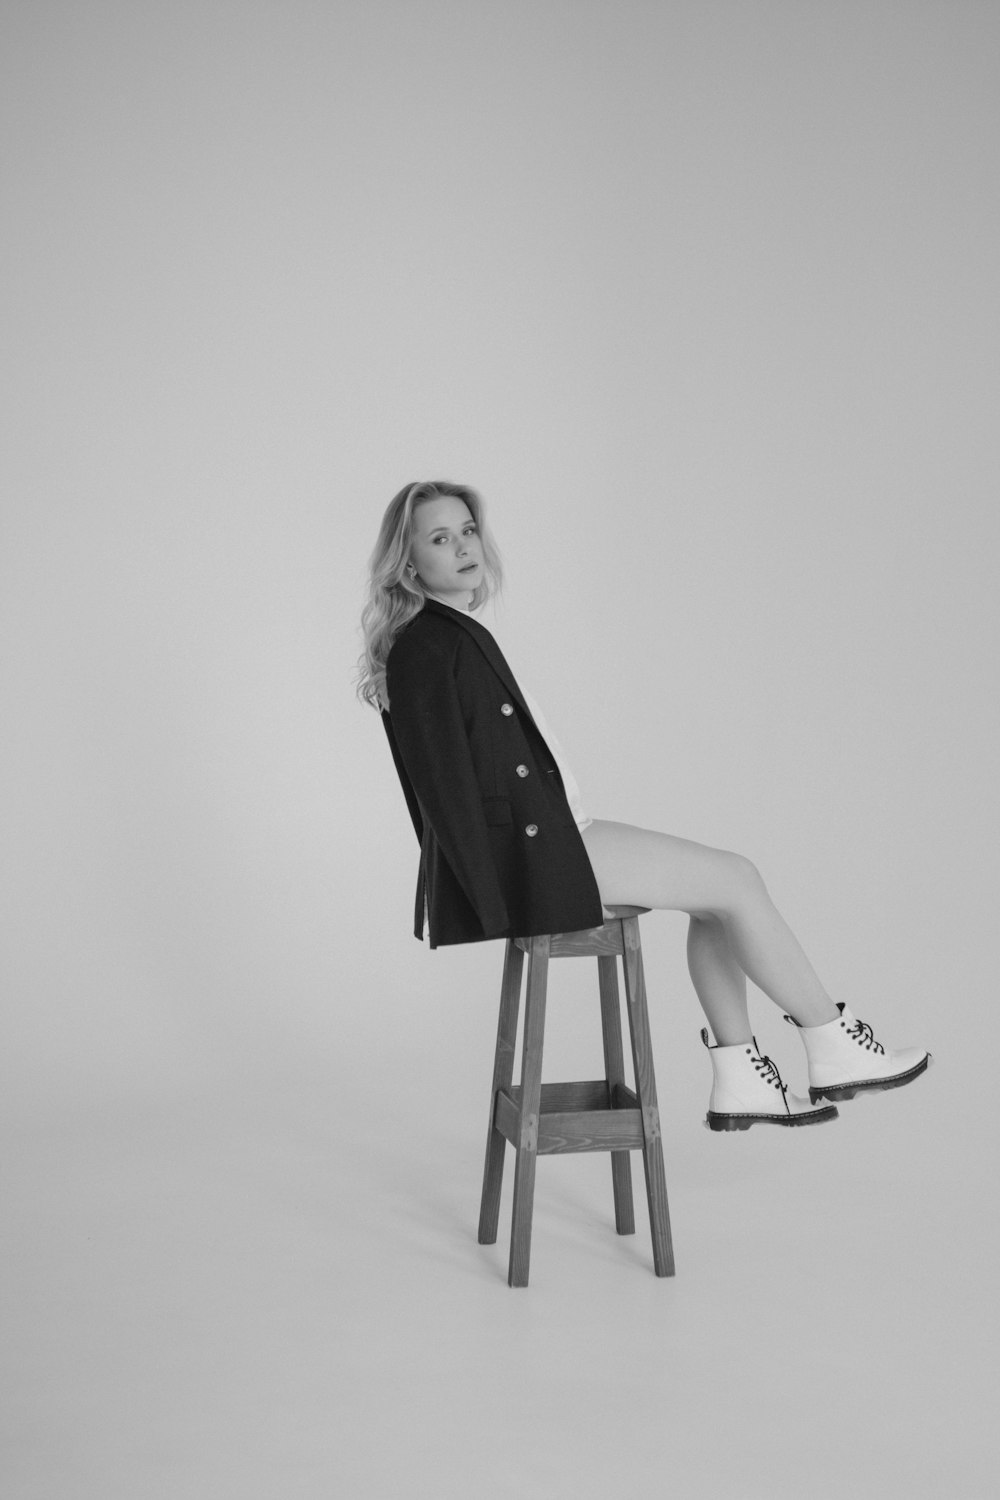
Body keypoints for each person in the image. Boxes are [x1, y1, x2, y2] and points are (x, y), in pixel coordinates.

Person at [357, 480, 930, 1131]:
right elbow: (441, 793)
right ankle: (833, 1042)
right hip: (533, 853)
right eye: (440, 538)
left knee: (721, 897)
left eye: (467, 530)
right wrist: (497, 906)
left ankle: (743, 1077)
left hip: (556, 835)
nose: (464, 546)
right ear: (408, 564)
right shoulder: (427, 647)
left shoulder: (452, 633)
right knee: (735, 879)